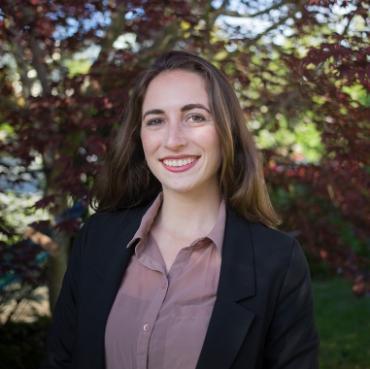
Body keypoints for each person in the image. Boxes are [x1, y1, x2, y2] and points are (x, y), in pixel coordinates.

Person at [41, 50, 319, 369]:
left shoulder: (278, 261)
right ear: (139, 137)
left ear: (226, 131)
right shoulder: (97, 238)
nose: (173, 140)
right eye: (156, 120)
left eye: (195, 116)